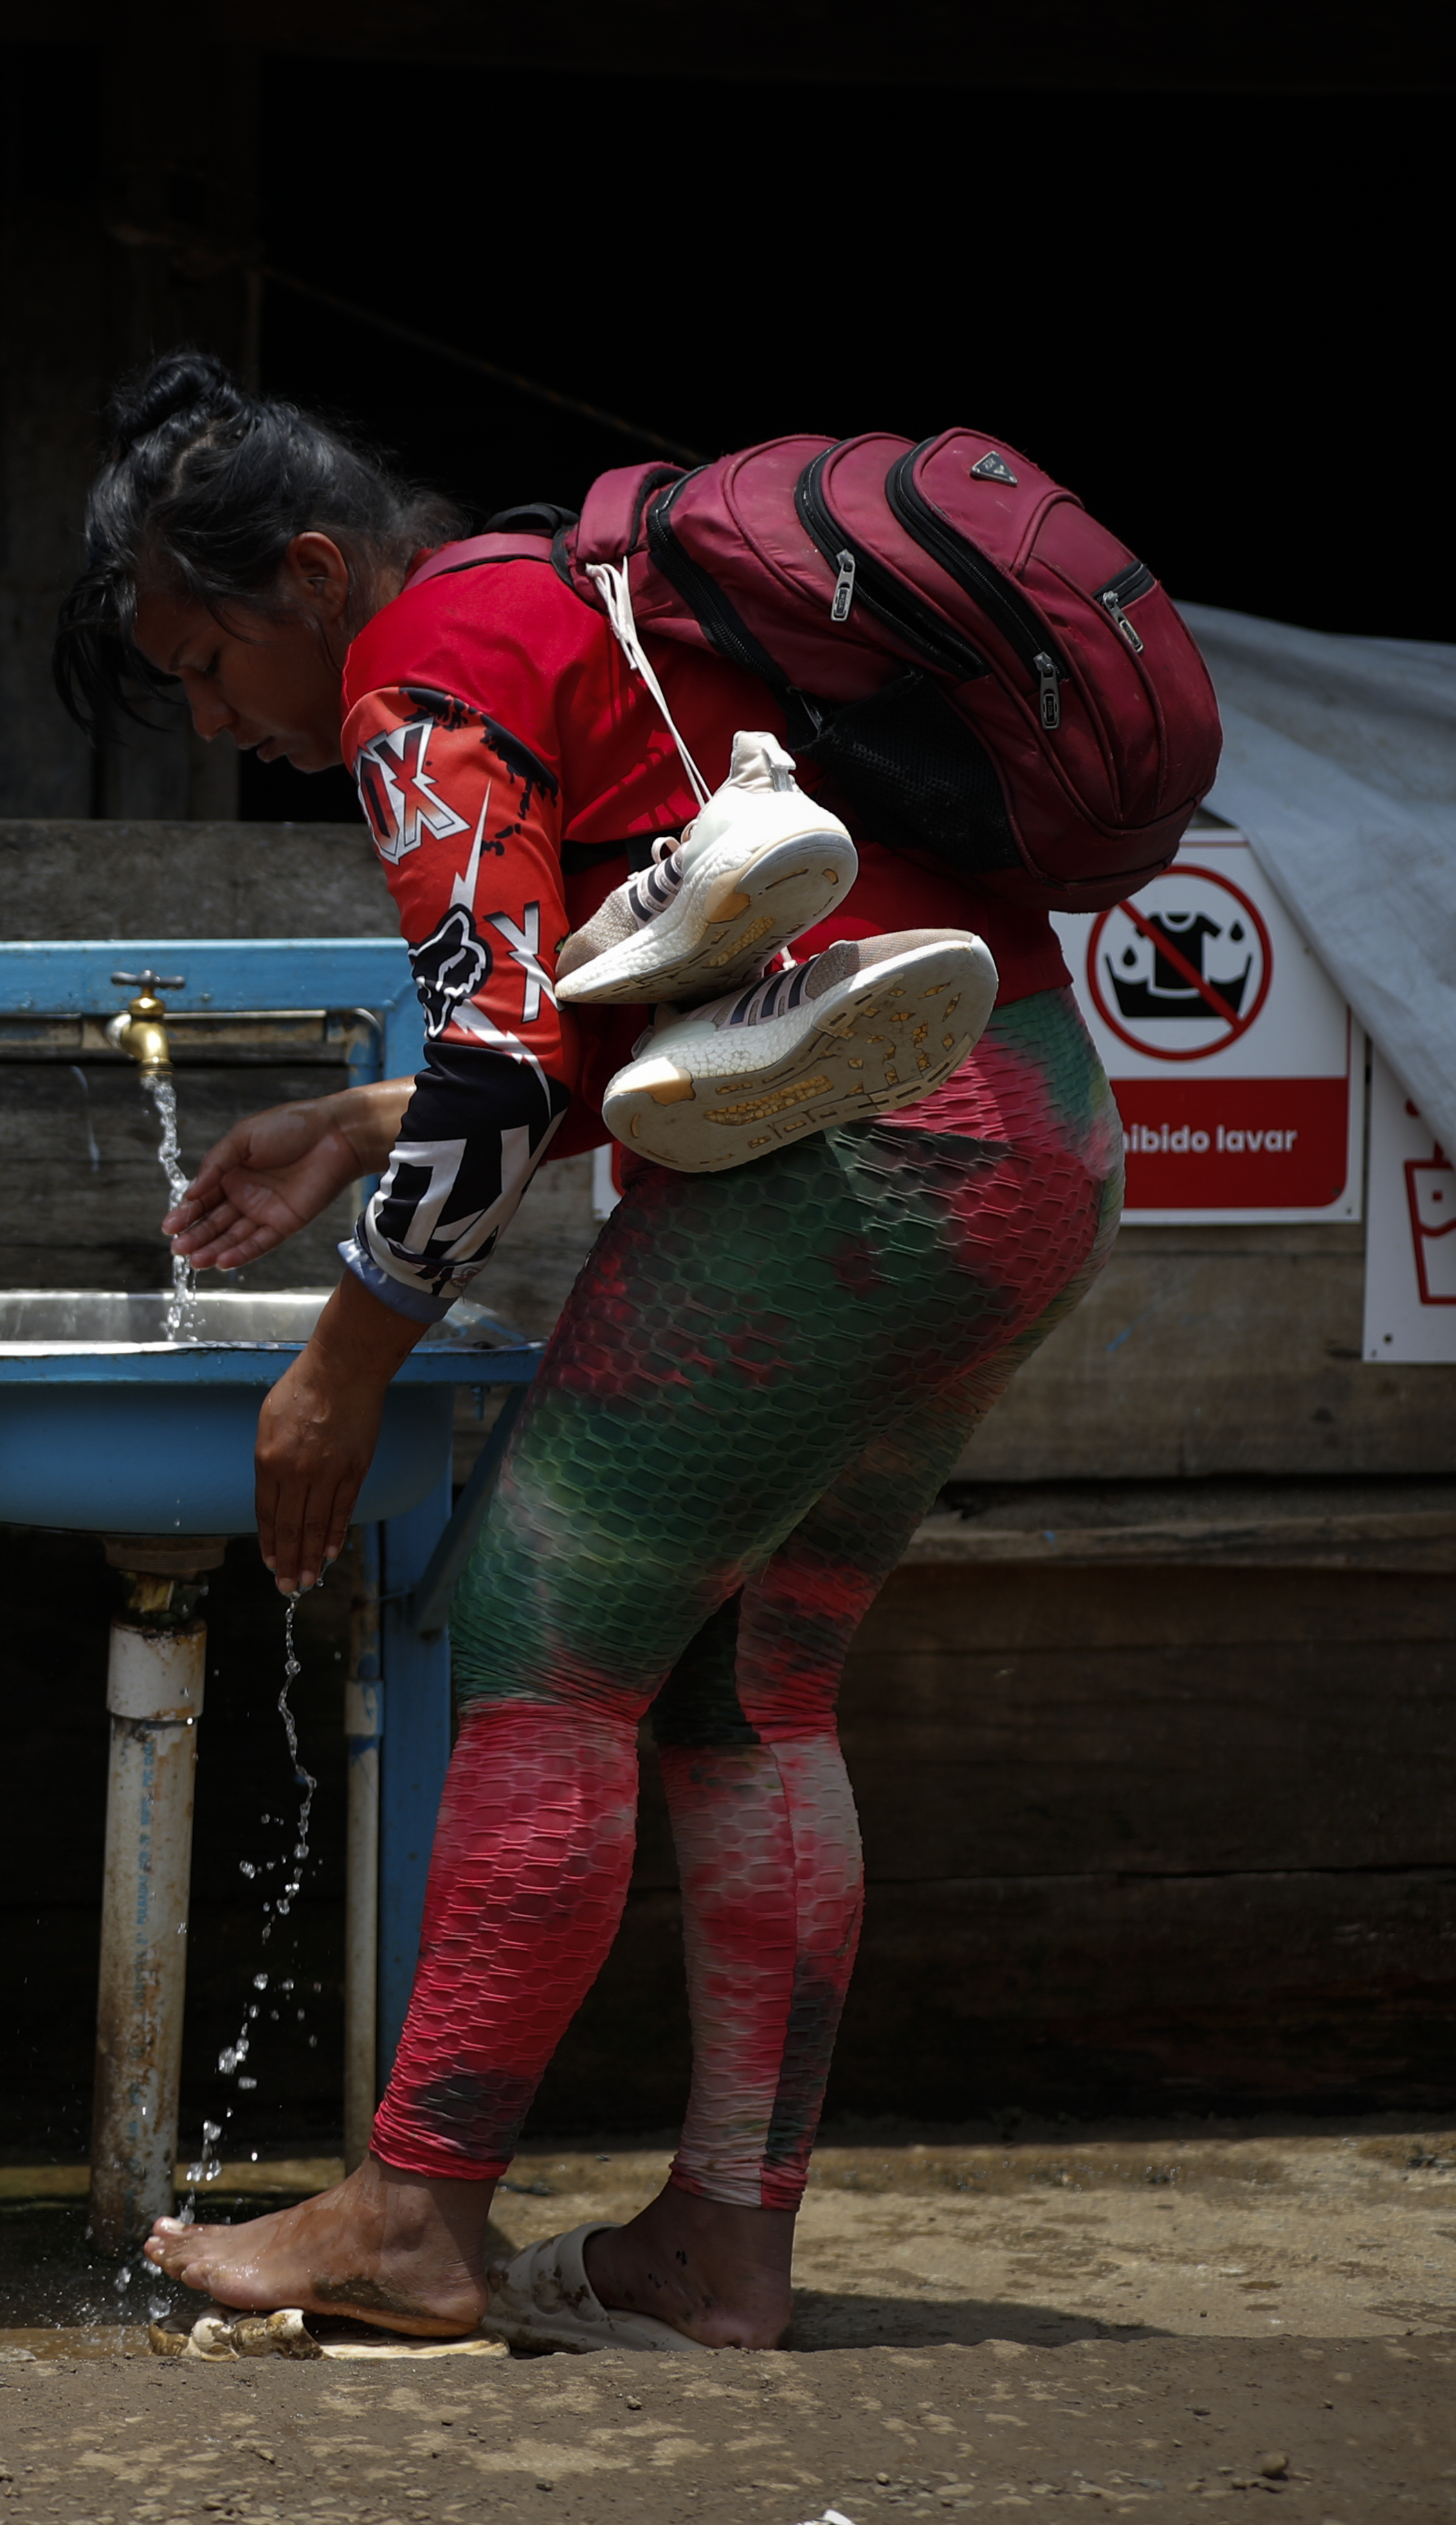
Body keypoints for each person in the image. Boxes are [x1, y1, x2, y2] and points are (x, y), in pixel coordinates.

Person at [56, 353, 1122, 2348]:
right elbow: (627, 1014)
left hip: (848, 1171)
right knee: (753, 1693)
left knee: (543, 1655)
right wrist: (359, 1127)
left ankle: (418, 2219)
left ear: (307, 571)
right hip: (1032, 1131)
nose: (217, 726)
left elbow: (496, 1056)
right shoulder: (576, 591)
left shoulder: (412, 667)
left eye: (206, 668)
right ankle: (725, 2241)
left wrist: (342, 1367)